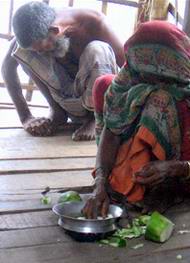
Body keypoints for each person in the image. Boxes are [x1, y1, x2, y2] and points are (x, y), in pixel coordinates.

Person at [83, 20, 190, 219]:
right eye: (147, 75)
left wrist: (176, 169)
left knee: (161, 99)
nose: (156, 81)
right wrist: (100, 183)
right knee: (105, 84)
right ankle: (127, 179)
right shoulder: (126, 82)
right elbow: (112, 132)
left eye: (166, 76)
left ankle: (168, 188)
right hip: (141, 165)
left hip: (182, 163)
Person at [1, 1, 124, 140]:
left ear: (55, 30)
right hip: (67, 101)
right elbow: (6, 67)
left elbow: (129, 67)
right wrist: (25, 117)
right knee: (22, 52)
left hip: (99, 102)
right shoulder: (33, 31)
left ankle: (96, 118)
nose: (40, 53)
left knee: (98, 48)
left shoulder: (94, 22)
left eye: (42, 49)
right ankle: (57, 112)